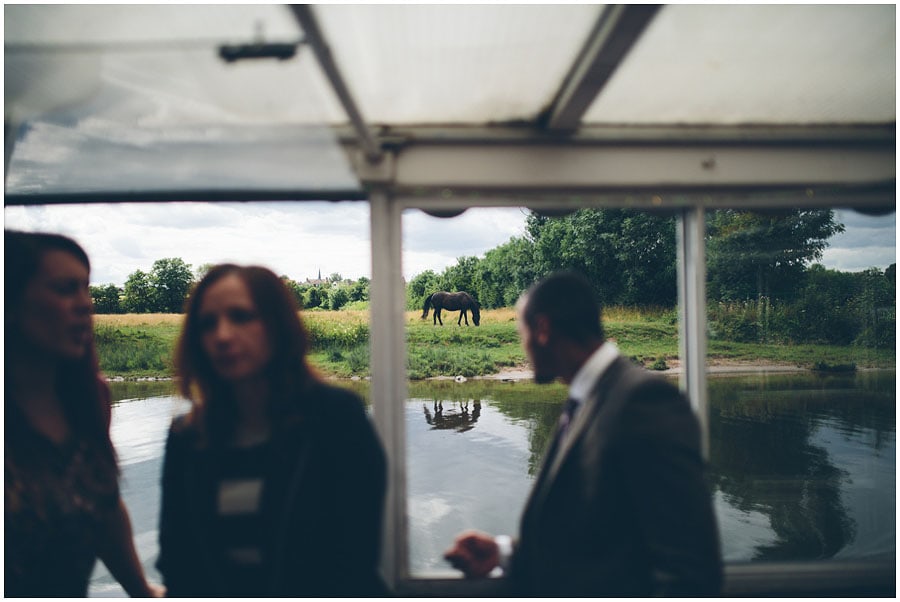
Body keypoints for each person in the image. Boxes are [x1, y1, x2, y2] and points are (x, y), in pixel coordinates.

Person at [444, 271, 723, 596]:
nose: (524, 348)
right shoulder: (592, 396)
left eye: (523, 334)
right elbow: (603, 536)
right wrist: (506, 554)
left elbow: (690, 571)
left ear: (543, 330)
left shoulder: (644, 402)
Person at [156, 263, 387, 596]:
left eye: (240, 316)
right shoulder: (187, 436)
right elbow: (178, 564)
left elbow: (352, 560)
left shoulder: (337, 419)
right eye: (208, 324)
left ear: (278, 326)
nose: (222, 335)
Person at [5, 230, 164, 597]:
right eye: (64, 289)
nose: (85, 304)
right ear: (10, 301)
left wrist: (142, 590)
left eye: (85, 288)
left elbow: (105, 503)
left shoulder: (89, 399)